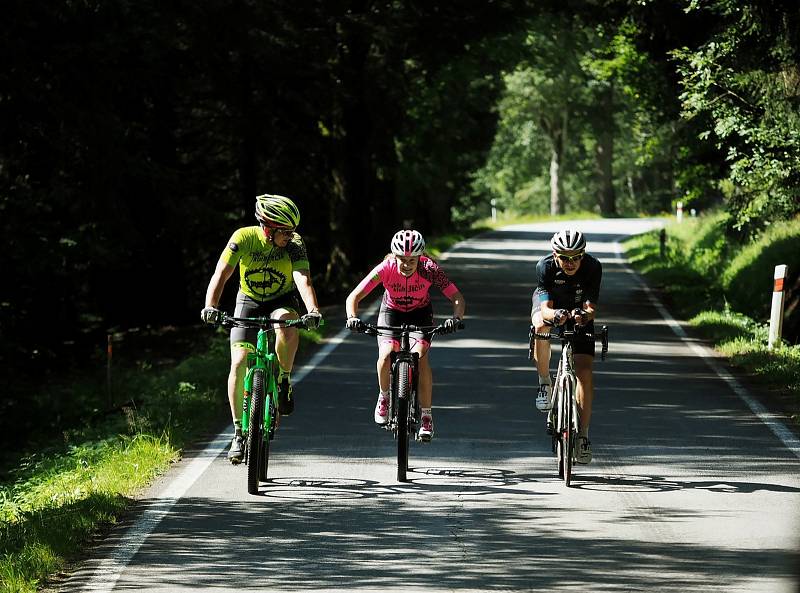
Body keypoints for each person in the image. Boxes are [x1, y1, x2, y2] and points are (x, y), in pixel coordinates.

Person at [200, 194, 322, 463]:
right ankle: (238, 432)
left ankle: (283, 380)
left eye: (292, 232)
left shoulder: (295, 244)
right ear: (268, 228)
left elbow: (303, 278)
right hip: (248, 302)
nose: (290, 236)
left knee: (288, 328)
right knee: (239, 362)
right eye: (285, 232)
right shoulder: (243, 238)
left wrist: (312, 310)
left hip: (281, 300)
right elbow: (222, 273)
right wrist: (211, 305)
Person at [345, 229, 465, 442]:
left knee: (419, 355)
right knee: (386, 353)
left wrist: (456, 318)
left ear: (420, 257)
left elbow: (456, 297)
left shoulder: (430, 269)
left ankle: (426, 415)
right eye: (401, 259)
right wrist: (352, 317)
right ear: (394, 256)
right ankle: (384, 396)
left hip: (421, 313)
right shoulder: (385, 268)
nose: (406, 264)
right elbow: (354, 296)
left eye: (412, 260)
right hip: (391, 312)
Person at [531, 228, 602, 464]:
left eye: (576, 257)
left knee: (584, 373)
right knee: (541, 325)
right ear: (555, 254)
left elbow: (591, 308)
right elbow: (545, 308)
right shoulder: (545, 267)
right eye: (564, 257)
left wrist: (583, 316)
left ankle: (582, 436)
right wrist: (557, 315)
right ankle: (544, 383)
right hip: (553, 306)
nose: (570, 263)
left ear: (583, 255)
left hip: (578, 307)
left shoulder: (593, 267)